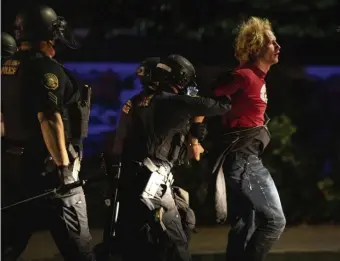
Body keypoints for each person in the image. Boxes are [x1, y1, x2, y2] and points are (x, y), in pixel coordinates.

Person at [111, 54, 231, 261]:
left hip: (128, 181)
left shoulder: (135, 102)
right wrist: (224, 88)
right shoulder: (172, 101)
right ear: (180, 77)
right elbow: (219, 106)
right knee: (177, 245)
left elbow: (119, 143)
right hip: (153, 183)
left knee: (140, 245)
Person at [1, 5, 95, 261]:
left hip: (15, 166)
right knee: (80, 250)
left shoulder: (7, 67)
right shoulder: (45, 69)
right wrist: (63, 167)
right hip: (48, 171)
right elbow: (50, 118)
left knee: (8, 245)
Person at [189, 17, 286, 261]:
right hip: (243, 160)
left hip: (246, 158)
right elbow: (205, 101)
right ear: (256, 48)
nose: (278, 47)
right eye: (271, 43)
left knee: (247, 222)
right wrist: (195, 139)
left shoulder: (257, 78)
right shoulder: (243, 76)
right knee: (275, 221)